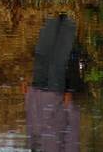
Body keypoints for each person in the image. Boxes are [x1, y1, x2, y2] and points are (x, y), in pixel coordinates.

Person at [22, 13, 85, 152]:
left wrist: (27, 97)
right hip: (56, 95)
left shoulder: (34, 147)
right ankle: (71, 15)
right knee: (58, 60)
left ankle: (53, 14)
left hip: (37, 91)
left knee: (41, 53)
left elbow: (31, 126)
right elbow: (73, 134)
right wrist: (71, 106)